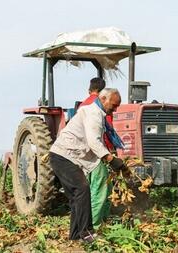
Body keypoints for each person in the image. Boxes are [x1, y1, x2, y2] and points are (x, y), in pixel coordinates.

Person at [49, 88, 127, 242]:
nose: (115, 109)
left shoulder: (97, 113)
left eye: (118, 106)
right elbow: (93, 142)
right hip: (63, 156)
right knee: (82, 189)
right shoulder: (94, 114)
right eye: (114, 105)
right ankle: (87, 233)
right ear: (103, 99)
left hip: (68, 157)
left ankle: (75, 237)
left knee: (77, 198)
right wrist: (112, 160)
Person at [79, 78, 115, 229]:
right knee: (101, 188)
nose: (114, 109)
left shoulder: (83, 103)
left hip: (84, 153)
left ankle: (96, 221)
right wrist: (111, 153)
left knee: (94, 187)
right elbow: (105, 132)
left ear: (90, 89)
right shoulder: (102, 105)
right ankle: (94, 225)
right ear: (103, 92)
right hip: (98, 151)